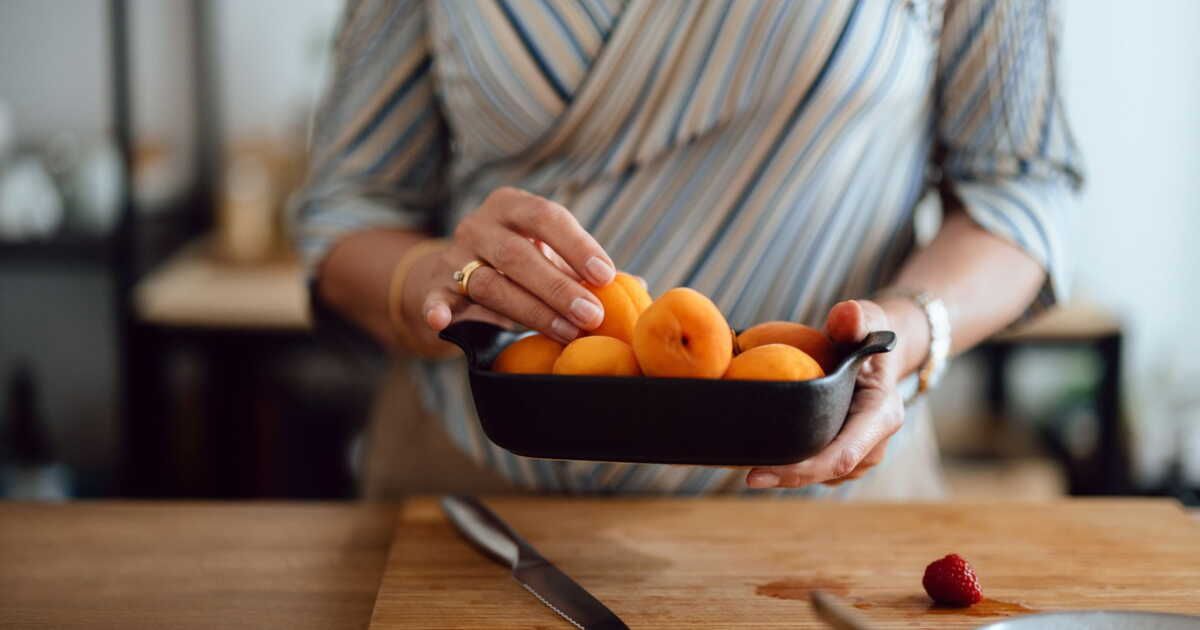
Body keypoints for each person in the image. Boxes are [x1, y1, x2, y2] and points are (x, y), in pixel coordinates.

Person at [292, 0, 1082, 498]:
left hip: (820, 515)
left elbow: (1020, 189)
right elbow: (347, 209)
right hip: (472, 501)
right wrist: (430, 282)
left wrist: (904, 333)